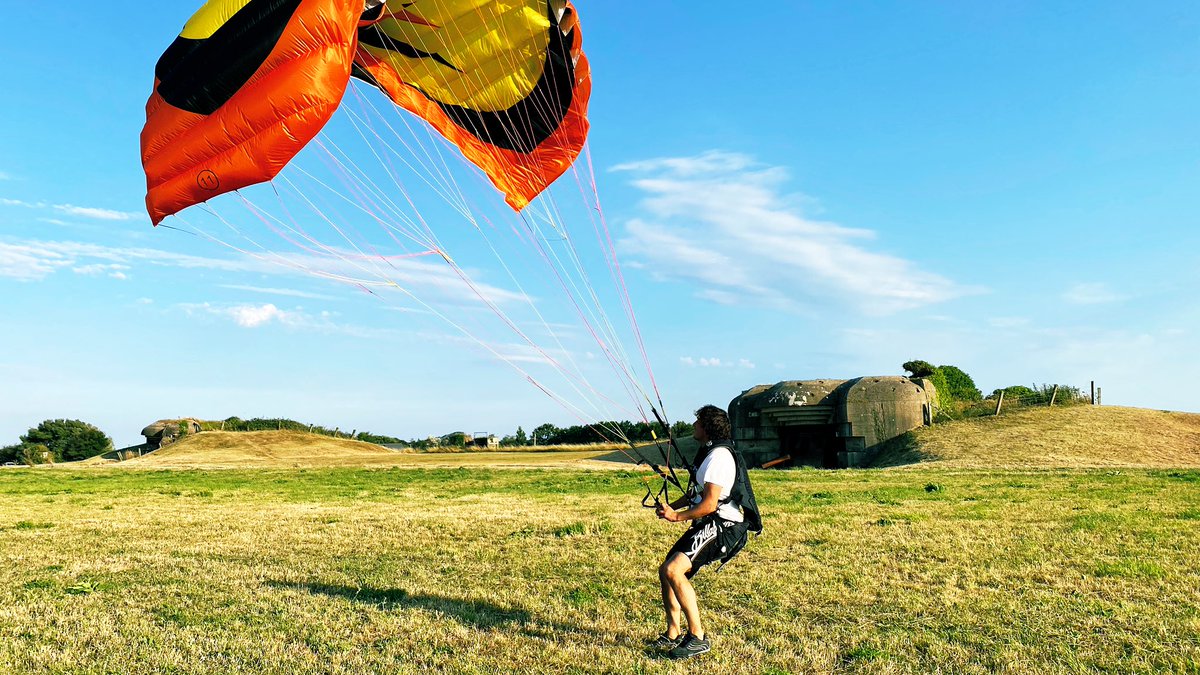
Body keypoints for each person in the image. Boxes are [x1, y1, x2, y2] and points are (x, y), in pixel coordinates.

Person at [652, 404, 760, 659]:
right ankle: (673, 632)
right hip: (710, 522)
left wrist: (677, 517)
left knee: (674, 570)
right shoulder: (710, 453)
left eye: (697, 421)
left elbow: (710, 504)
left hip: (724, 525)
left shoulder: (719, 457)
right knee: (666, 570)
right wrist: (672, 506)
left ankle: (697, 637)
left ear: (707, 427)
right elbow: (697, 493)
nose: (693, 425)